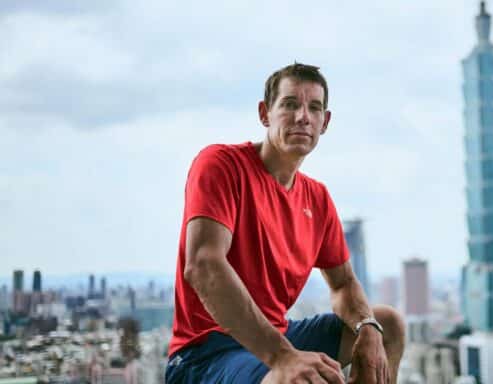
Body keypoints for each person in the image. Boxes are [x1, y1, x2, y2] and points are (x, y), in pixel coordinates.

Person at [165, 63, 405, 383]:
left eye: (314, 107)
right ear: (265, 114)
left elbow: (344, 284)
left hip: (277, 336)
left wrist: (367, 327)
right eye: (290, 104)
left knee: (386, 324)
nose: (302, 116)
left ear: (325, 122)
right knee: (297, 378)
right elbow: (203, 266)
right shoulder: (221, 164)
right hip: (207, 354)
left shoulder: (317, 198)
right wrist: (284, 358)